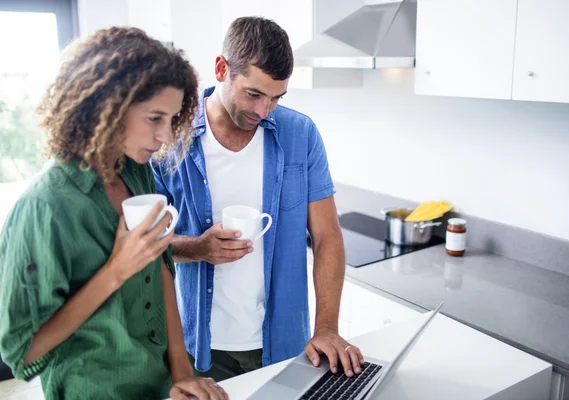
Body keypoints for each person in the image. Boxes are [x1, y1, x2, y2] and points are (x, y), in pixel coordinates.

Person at [0, 27, 228, 400]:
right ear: (106, 107)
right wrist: (115, 271)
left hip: (158, 386)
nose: (166, 137)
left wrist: (182, 372)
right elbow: (22, 352)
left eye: (171, 119)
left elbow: (162, 269)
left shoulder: (136, 172)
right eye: (154, 118)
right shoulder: (45, 207)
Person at [152, 16, 364, 382]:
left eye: (276, 97)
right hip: (198, 349)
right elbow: (144, 244)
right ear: (222, 69)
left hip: (284, 345)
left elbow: (328, 237)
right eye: (253, 94)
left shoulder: (301, 134)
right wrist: (197, 248)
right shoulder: (170, 138)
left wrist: (327, 327)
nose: (264, 111)